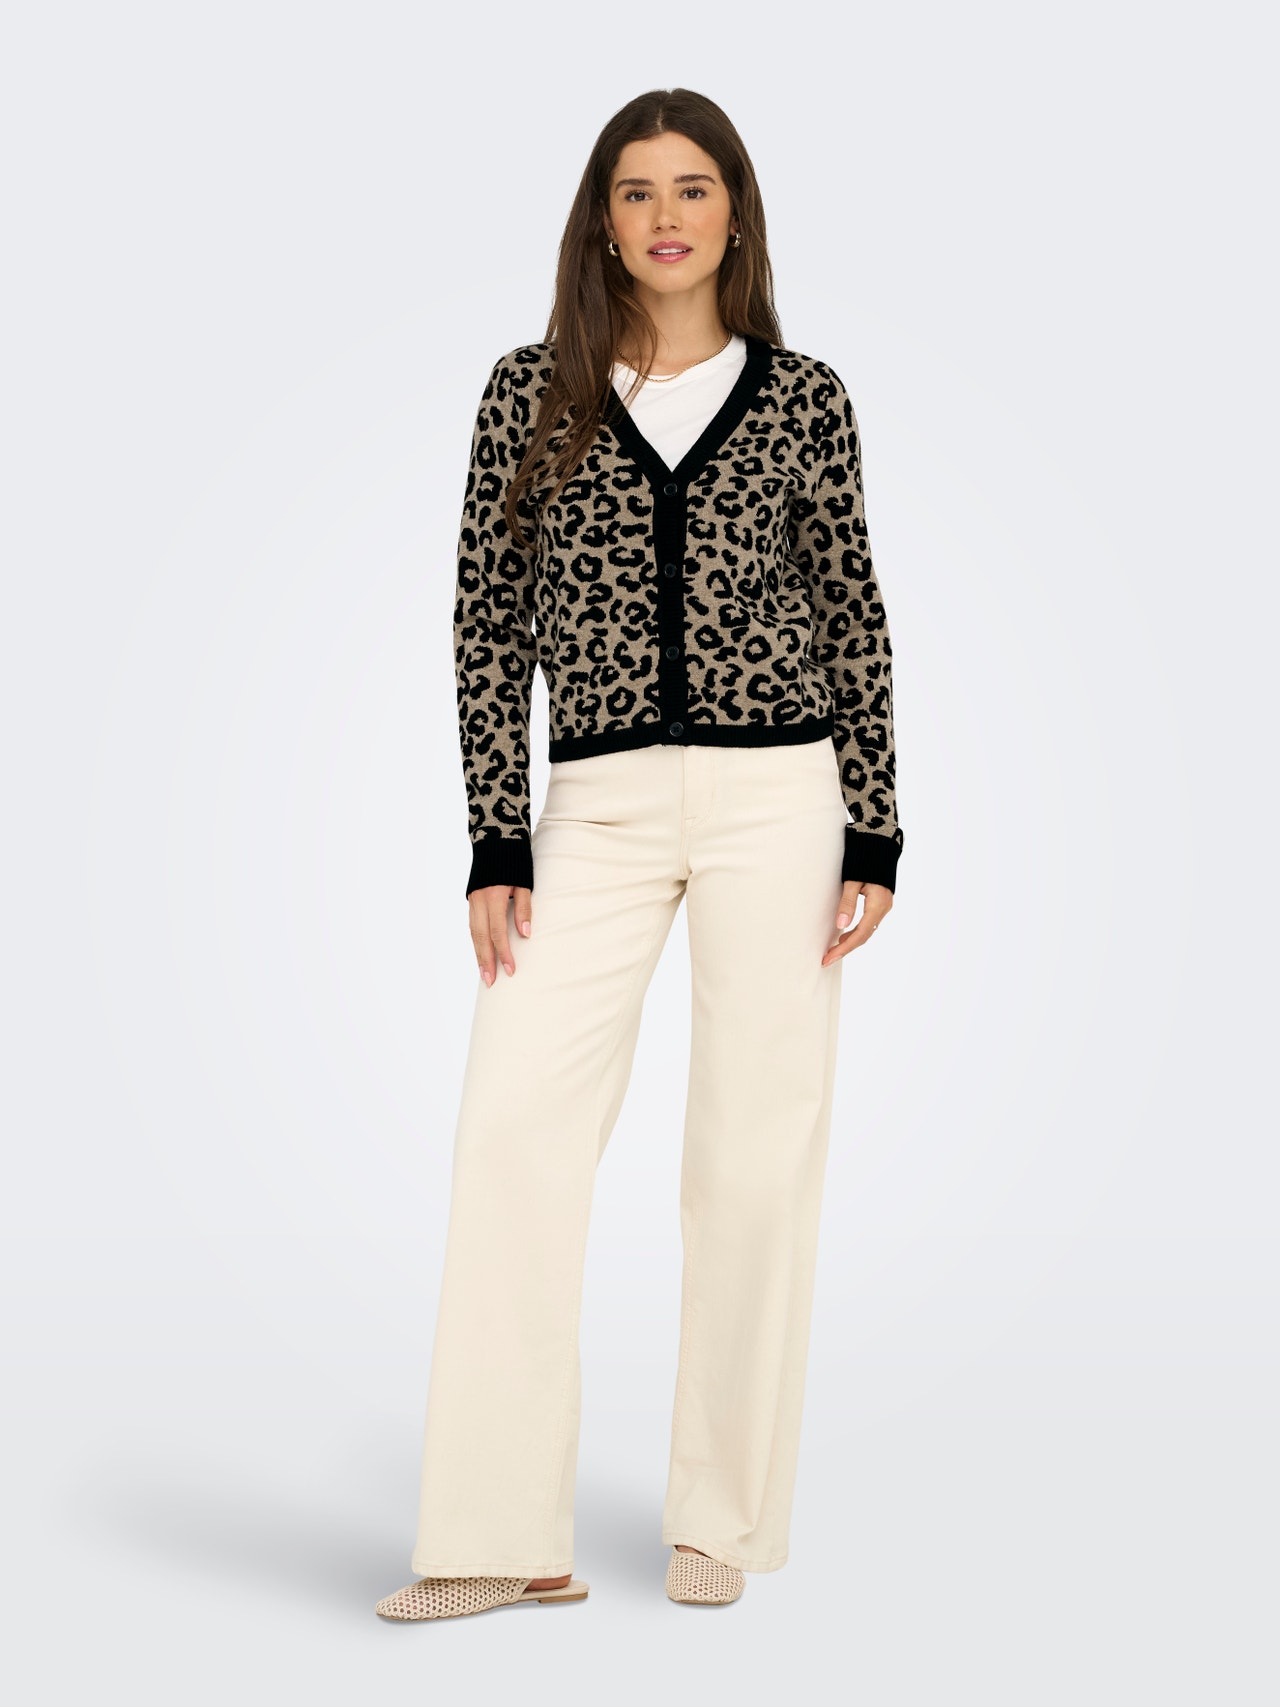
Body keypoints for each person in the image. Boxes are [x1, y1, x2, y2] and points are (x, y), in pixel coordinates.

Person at [376, 85, 903, 1622]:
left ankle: (720, 1518)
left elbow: (852, 608)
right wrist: (496, 835)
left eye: (693, 188)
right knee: (513, 1133)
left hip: (780, 798)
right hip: (593, 807)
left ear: (735, 213)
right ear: (601, 223)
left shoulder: (804, 398)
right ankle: (497, 1535)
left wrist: (874, 820)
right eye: (635, 191)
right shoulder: (529, 393)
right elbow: (487, 621)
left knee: (753, 1151)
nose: (666, 216)